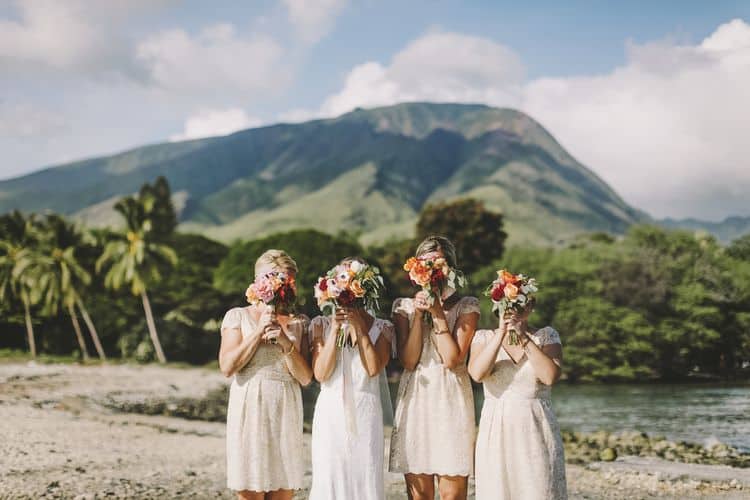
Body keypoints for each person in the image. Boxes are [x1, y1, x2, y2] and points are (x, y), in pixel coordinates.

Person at [389, 236, 479, 500]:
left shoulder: (467, 306)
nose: (431, 271)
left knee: (452, 494)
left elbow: (453, 360)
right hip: (417, 395)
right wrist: (418, 315)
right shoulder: (403, 307)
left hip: (451, 397)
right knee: (420, 495)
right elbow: (408, 360)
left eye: (437, 264)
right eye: (425, 264)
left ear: (450, 268)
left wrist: (438, 312)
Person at [218, 249, 313, 500]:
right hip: (250, 406)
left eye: (289, 281)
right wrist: (257, 332)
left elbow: (305, 378)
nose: (284, 287)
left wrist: (285, 342)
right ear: (259, 281)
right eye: (279, 280)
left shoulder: (300, 322)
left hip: (286, 408)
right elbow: (227, 366)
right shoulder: (237, 316)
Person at [309, 257, 394, 500]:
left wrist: (359, 328)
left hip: (365, 411)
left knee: (364, 475)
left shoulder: (383, 327)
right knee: (330, 476)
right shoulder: (320, 324)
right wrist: (335, 329)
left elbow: (373, 369)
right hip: (330, 412)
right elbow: (321, 374)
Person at [468, 301, 567, 500]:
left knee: (539, 489)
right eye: (507, 305)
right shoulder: (484, 337)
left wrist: (523, 338)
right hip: (496, 429)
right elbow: (477, 374)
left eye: (520, 305)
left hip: (536, 427)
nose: (513, 310)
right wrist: (501, 334)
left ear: (530, 307)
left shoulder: (546, 336)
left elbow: (549, 377)